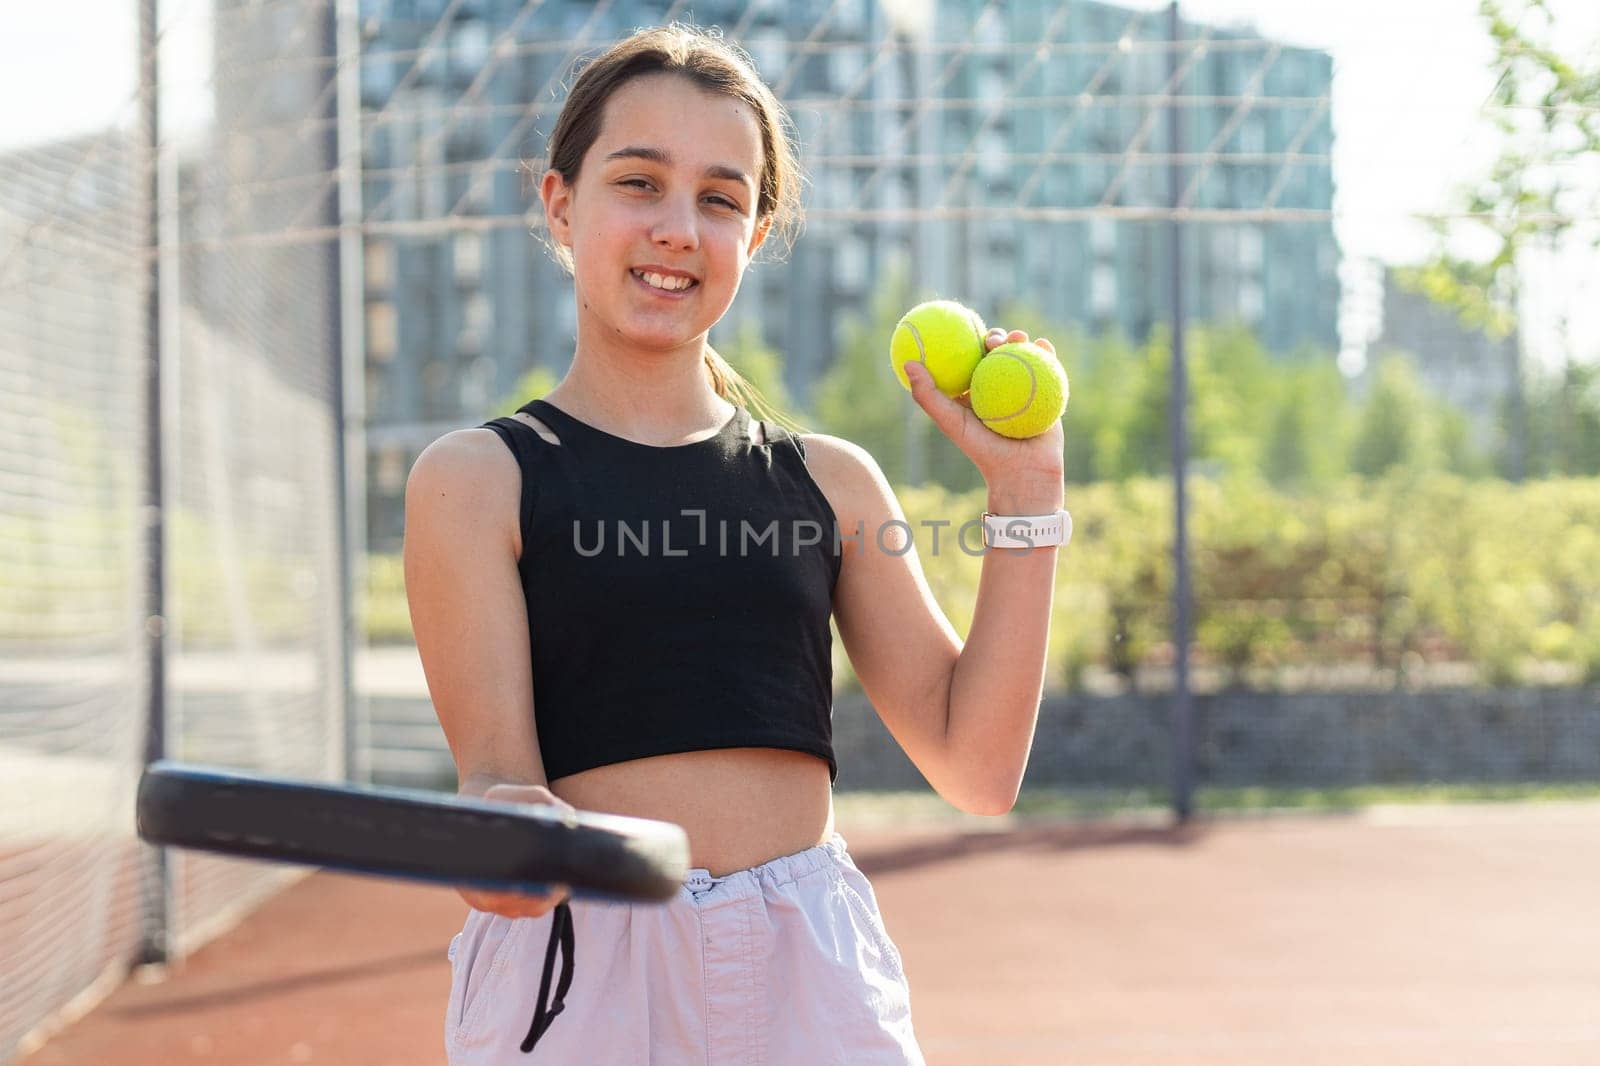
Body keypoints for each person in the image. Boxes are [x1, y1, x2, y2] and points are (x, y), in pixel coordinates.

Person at [402, 22, 1066, 1066]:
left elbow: (978, 767)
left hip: (810, 962)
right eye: (639, 183)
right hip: (587, 970)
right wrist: (504, 830)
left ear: (753, 237)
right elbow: (496, 773)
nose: (678, 227)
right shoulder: (475, 479)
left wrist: (1026, 491)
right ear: (561, 204)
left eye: (720, 199)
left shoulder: (832, 481)